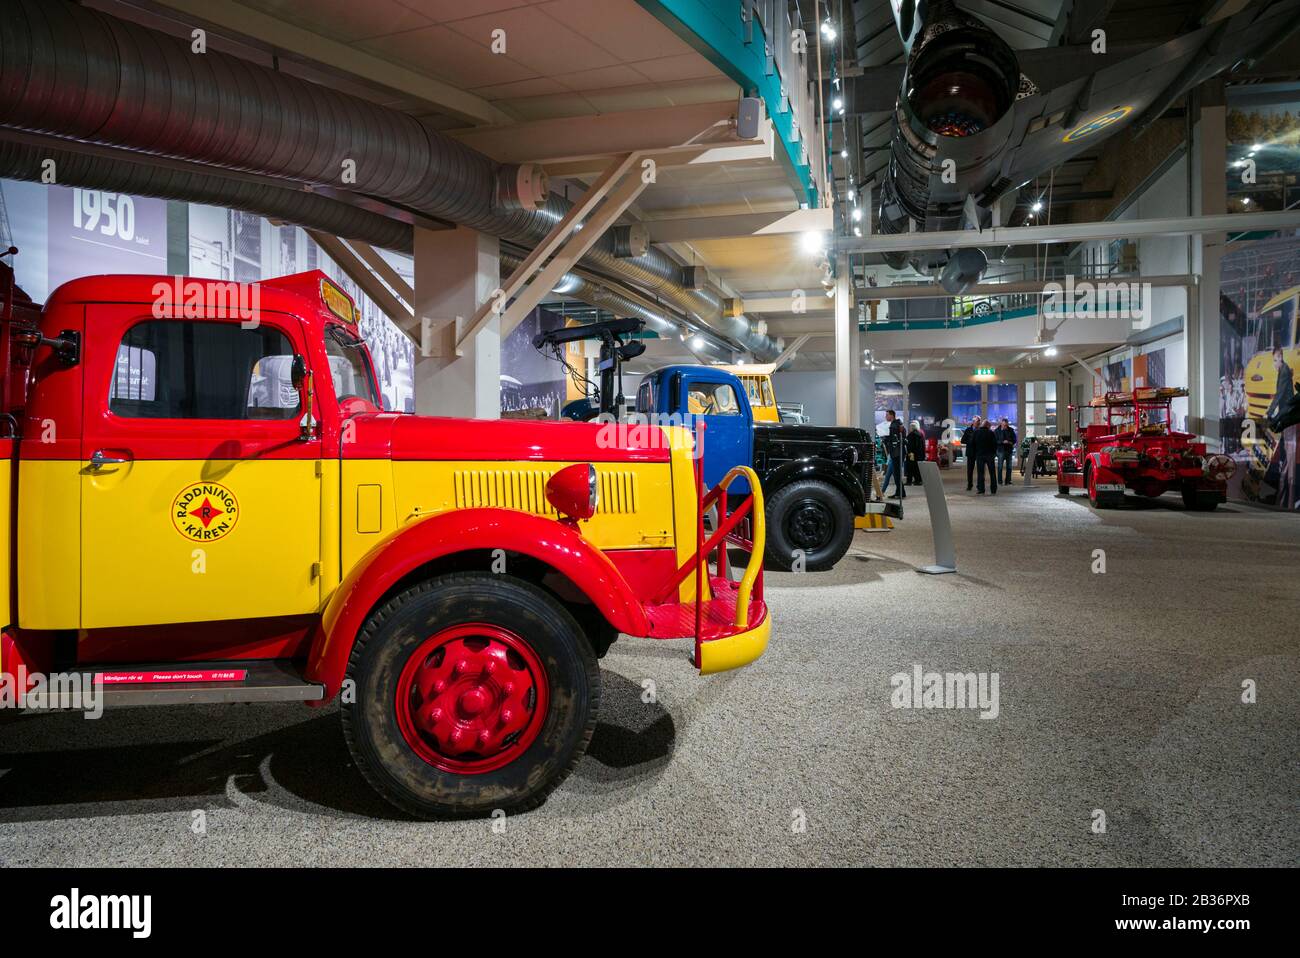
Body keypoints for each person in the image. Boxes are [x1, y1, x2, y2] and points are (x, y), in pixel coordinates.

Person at [880, 409, 906, 498]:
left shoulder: (894, 425)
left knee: (896, 474)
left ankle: (900, 493)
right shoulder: (898, 424)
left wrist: (886, 440)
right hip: (897, 453)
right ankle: (900, 492)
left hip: (896, 453)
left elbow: (895, 440)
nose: (886, 417)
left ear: (892, 415)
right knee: (895, 474)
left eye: (887, 415)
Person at [974, 419, 998, 494]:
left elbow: (972, 443)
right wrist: (994, 453)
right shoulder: (991, 433)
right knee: (992, 473)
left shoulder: (976, 432)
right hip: (989, 455)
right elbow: (995, 444)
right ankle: (993, 489)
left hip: (980, 455)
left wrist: (976, 452)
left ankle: (981, 489)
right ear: (987, 426)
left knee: (980, 473)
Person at [993, 417, 1017, 485]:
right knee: (1000, 467)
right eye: (1004, 425)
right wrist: (1002, 442)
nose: (1005, 426)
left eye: (1006, 425)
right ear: (1001, 424)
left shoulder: (1011, 430)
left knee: (1009, 467)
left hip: (1009, 450)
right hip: (1000, 450)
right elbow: (994, 441)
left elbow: (1014, 440)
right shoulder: (997, 431)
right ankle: (1000, 481)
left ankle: (1008, 481)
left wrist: (1009, 442)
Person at [961, 415, 982, 490]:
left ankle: (979, 485)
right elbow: (962, 440)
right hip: (970, 453)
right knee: (970, 470)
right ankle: (970, 485)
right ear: (973, 422)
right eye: (977, 421)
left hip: (979, 453)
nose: (979, 423)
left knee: (980, 470)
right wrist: (970, 442)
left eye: (979, 421)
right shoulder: (968, 430)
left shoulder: (981, 430)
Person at [905, 420, 926, 486]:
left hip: (912, 454)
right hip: (919, 455)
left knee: (910, 468)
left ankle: (909, 481)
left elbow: (910, 446)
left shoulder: (911, 435)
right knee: (917, 468)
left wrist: (909, 453)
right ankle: (918, 480)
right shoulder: (920, 434)